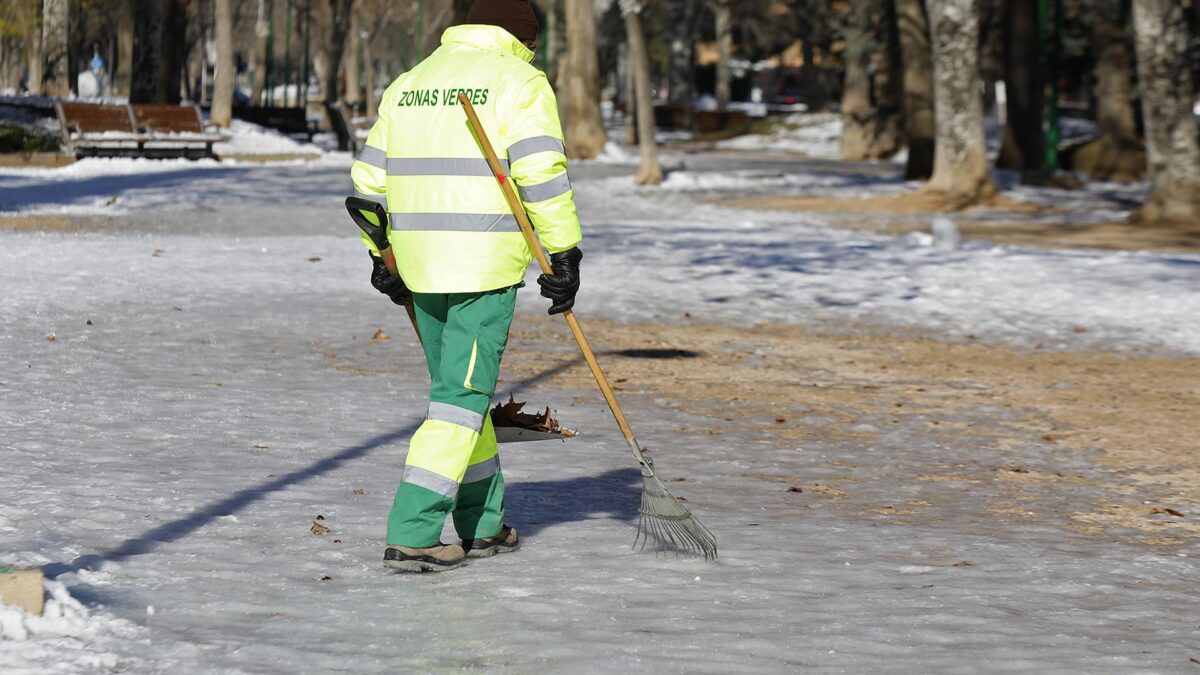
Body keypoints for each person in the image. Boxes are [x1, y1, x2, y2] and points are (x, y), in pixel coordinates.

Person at [349, 0, 583, 573]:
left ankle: (481, 524)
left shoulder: (411, 82)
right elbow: (539, 174)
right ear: (521, 36)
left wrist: (381, 255)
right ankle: (413, 531)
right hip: (481, 269)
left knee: (461, 399)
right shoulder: (519, 81)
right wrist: (563, 249)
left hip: (420, 268)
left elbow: (366, 186)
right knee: (458, 403)